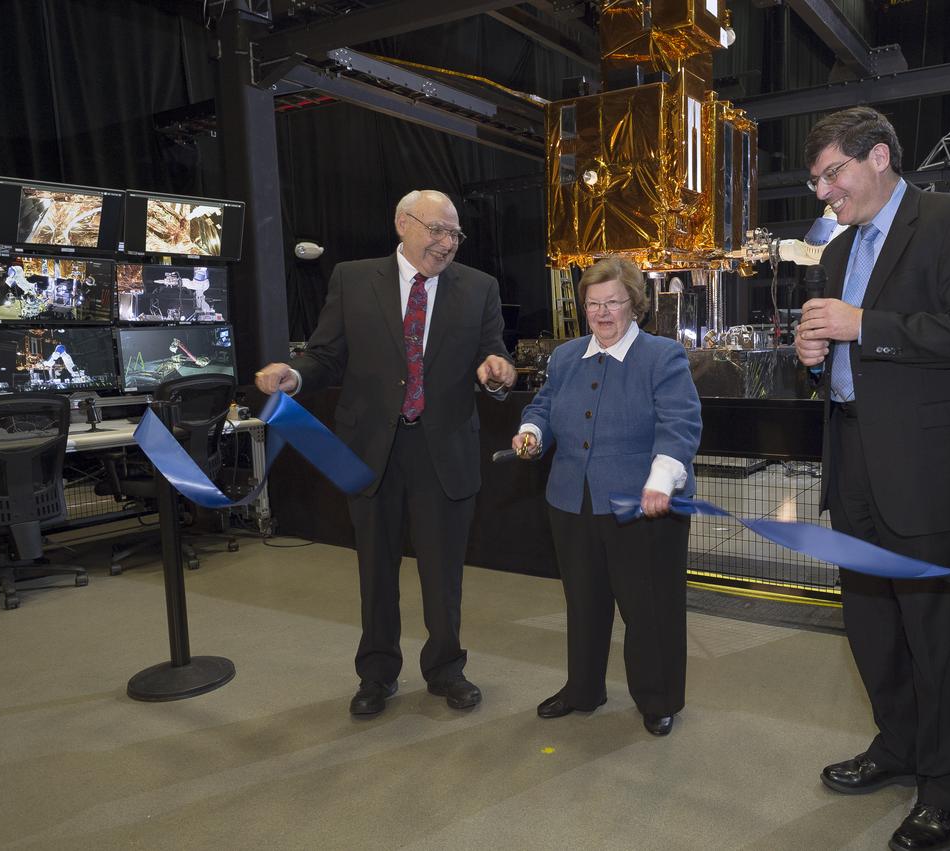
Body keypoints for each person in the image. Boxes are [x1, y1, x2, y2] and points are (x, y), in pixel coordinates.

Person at [794, 107, 950, 851]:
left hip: (927, 470)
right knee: (872, 627)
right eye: (817, 178)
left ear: (879, 157)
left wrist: (865, 327)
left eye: (833, 173)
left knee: (937, 635)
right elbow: (841, 342)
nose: (824, 192)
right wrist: (816, 350)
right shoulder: (834, 253)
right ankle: (900, 746)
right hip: (852, 460)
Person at [255, 189, 515, 718]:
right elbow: (326, 356)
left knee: (444, 573)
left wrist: (498, 372)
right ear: (402, 223)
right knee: (374, 569)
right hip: (372, 449)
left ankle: (446, 669)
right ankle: (376, 673)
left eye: (455, 234)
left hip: (443, 449)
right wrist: (295, 374)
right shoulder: (352, 279)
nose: (446, 244)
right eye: (436, 230)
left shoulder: (480, 287)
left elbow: (495, 353)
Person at [510, 256, 701, 737]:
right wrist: (531, 431)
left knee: (650, 608)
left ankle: (658, 699)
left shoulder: (663, 356)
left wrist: (660, 481)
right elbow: (545, 405)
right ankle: (583, 689)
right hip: (572, 502)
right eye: (594, 304)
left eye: (613, 302)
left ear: (635, 305)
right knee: (584, 602)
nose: (603, 313)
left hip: (644, 506)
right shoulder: (566, 357)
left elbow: (679, 425)